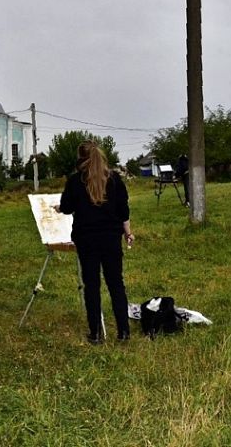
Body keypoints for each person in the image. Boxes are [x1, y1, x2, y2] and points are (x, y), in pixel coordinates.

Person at [57, 141, 133, 343]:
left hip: (86, 238)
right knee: (116, 284)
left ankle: (96, 333)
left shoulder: (75, 181)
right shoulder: (114, 179)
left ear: (80, 159)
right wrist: (128, 233)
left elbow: (66, 207)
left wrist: (59, 208)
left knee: (92, 286)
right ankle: (123, 332)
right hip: (111, 238)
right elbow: (123, 210)